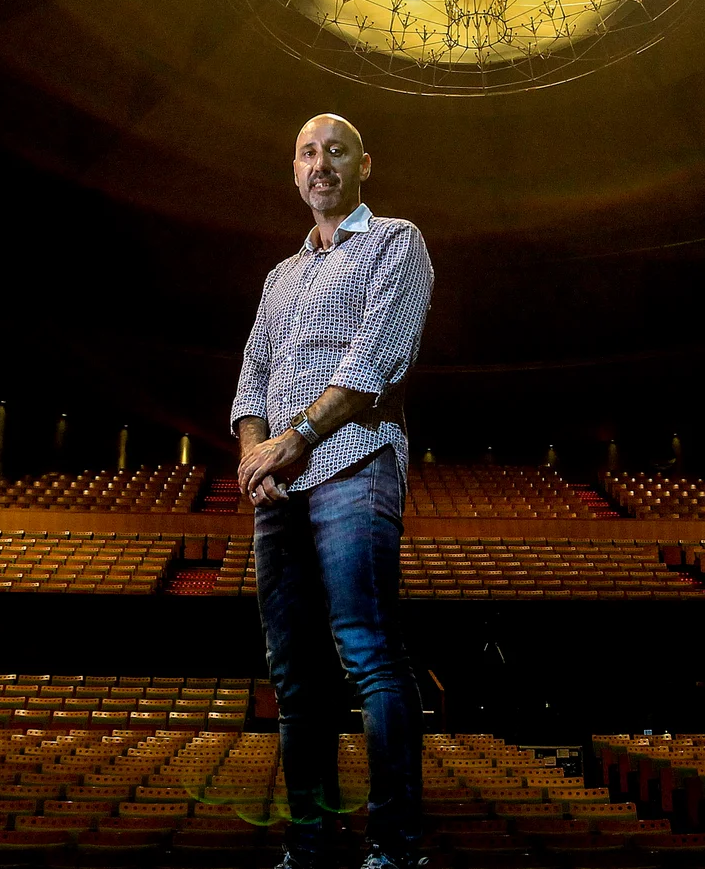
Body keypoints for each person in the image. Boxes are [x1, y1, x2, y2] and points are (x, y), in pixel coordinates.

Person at [231, 113, 435, 869]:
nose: (321, 164)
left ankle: (394, 848)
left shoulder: (396, 241)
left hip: (354, 462)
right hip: (279, 490)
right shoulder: (279, 277)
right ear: (295, 171)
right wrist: (256, 456)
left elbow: (374, 358)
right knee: (294, 679)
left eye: (336, 151)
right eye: (308, 153)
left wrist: (294, 441)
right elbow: (252, 379)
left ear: (363, 165)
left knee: (369, 656)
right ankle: (309, 843)